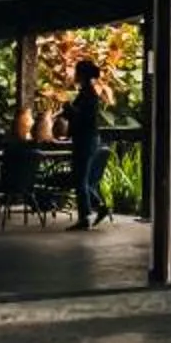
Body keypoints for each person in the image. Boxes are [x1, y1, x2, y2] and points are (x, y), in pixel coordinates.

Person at [66, 63, 108, 230]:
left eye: (77, 72)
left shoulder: (88, 95)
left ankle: (85, 217)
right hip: (87, 139)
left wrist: (69, 109)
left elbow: (85, 118)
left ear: (82, 74)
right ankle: (99, 207)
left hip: (85, 139)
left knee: (80, 179)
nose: (74, 74)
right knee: (81, 179)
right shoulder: (87, 93)